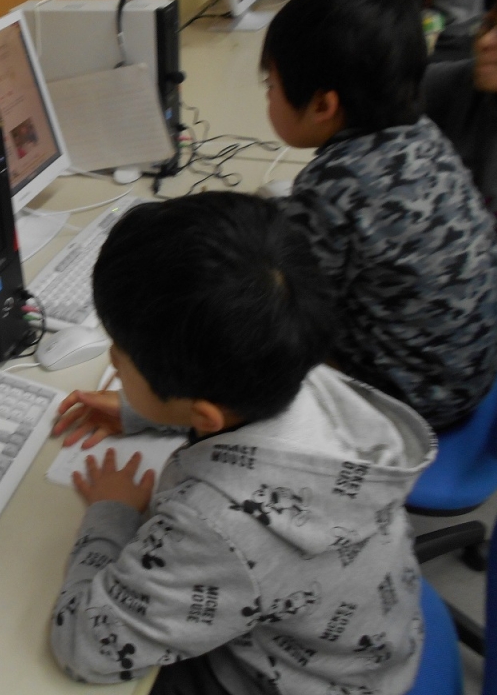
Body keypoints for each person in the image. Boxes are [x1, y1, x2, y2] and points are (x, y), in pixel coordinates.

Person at [50, 192, 435, 695]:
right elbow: (241, 417)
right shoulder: (297, 365)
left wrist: (112, 514)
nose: (112, 359)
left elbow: (87, 647)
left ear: (203, 414)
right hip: (371, 640)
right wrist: (141, 409)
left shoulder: (217, 528)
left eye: (121, 356)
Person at [261, 0, 497, 430]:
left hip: (410, 406)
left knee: (258, 332)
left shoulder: (334, 184)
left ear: (323, 105)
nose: (268, 96)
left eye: (270, 85)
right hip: (472, 373)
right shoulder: (421, 132)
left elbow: (286, 305)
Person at [423, 0, 497, 359]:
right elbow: (376, 97)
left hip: (494, 342)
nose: (485, 41)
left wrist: (439, 290)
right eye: (488, 22)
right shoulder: (458, 85)